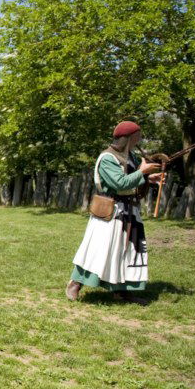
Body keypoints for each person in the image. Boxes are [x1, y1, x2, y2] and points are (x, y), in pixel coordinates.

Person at [67, 121, 163, 305]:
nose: (140, 140)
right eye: (137, 136)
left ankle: (123, 291)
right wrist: (142, 172)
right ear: (128, 138)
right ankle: (76, 282)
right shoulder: (108, 158)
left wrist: (148, 178)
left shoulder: (131, 157)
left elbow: (133, 179)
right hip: (111, 211)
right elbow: (120, 183)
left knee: (127, 252)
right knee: (98, 250)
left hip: (130, 211)